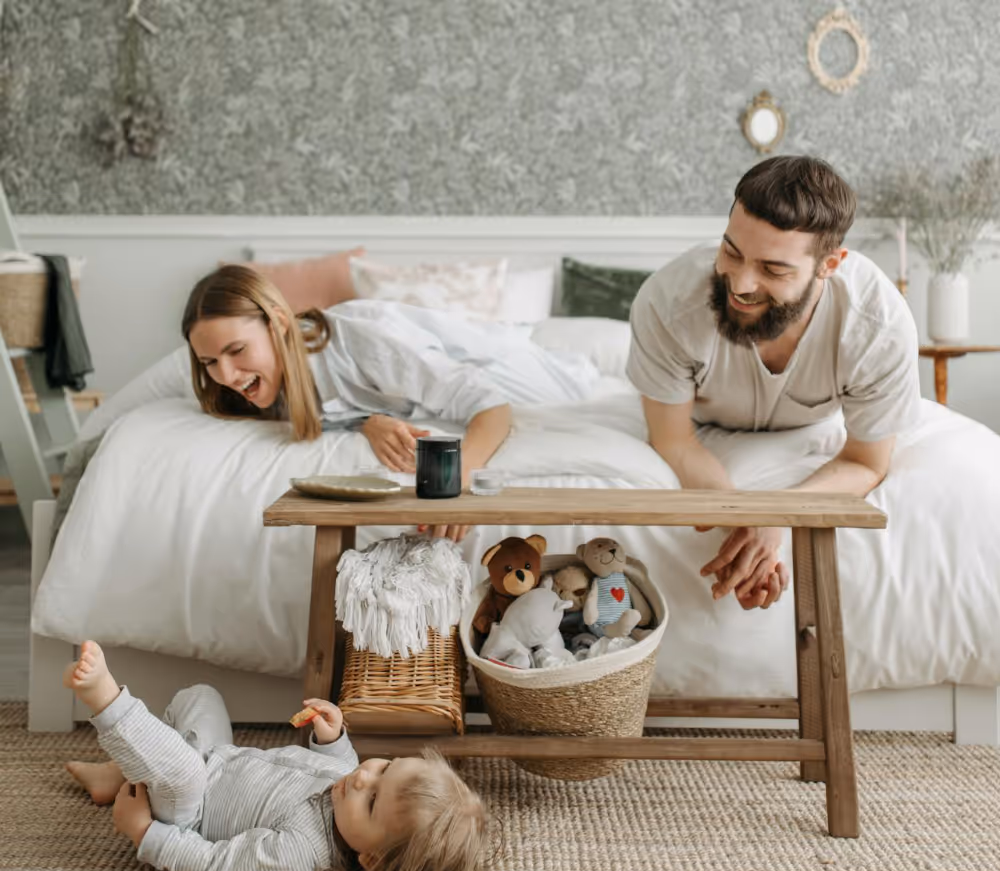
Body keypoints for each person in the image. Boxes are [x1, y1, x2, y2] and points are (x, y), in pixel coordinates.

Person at [628, 155, 920, 612]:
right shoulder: (668, 302)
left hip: (811, 426)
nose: (741, 283)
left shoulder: (877, 325)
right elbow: (674, 439)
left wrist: (777, 518)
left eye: (773, 269)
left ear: (830, 264)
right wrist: (748, 520)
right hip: (701, 422)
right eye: (732, 251)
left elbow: (866, 461)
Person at [63, 641, 501, 871]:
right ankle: (119, 774)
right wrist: (332, 738)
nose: (364, 777)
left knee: (180, 772)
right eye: (384, 767)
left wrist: (146, 834)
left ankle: (105, 698)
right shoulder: (348, 787)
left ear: (370, 857)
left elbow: (216, 866)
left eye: (372, 801)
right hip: (217, 757)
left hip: (188, 811)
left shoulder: (301, 850)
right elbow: (347, 768)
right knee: (202, 697)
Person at [181, 265, 598, 540]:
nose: (226, 376)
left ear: (280, 322)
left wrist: (458, 486)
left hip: (529, 375)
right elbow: (332, 405)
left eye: (237, 350)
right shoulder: (259, 380)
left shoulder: (365, 343)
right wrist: (367, 421)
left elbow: (492, 407)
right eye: (209, 361)